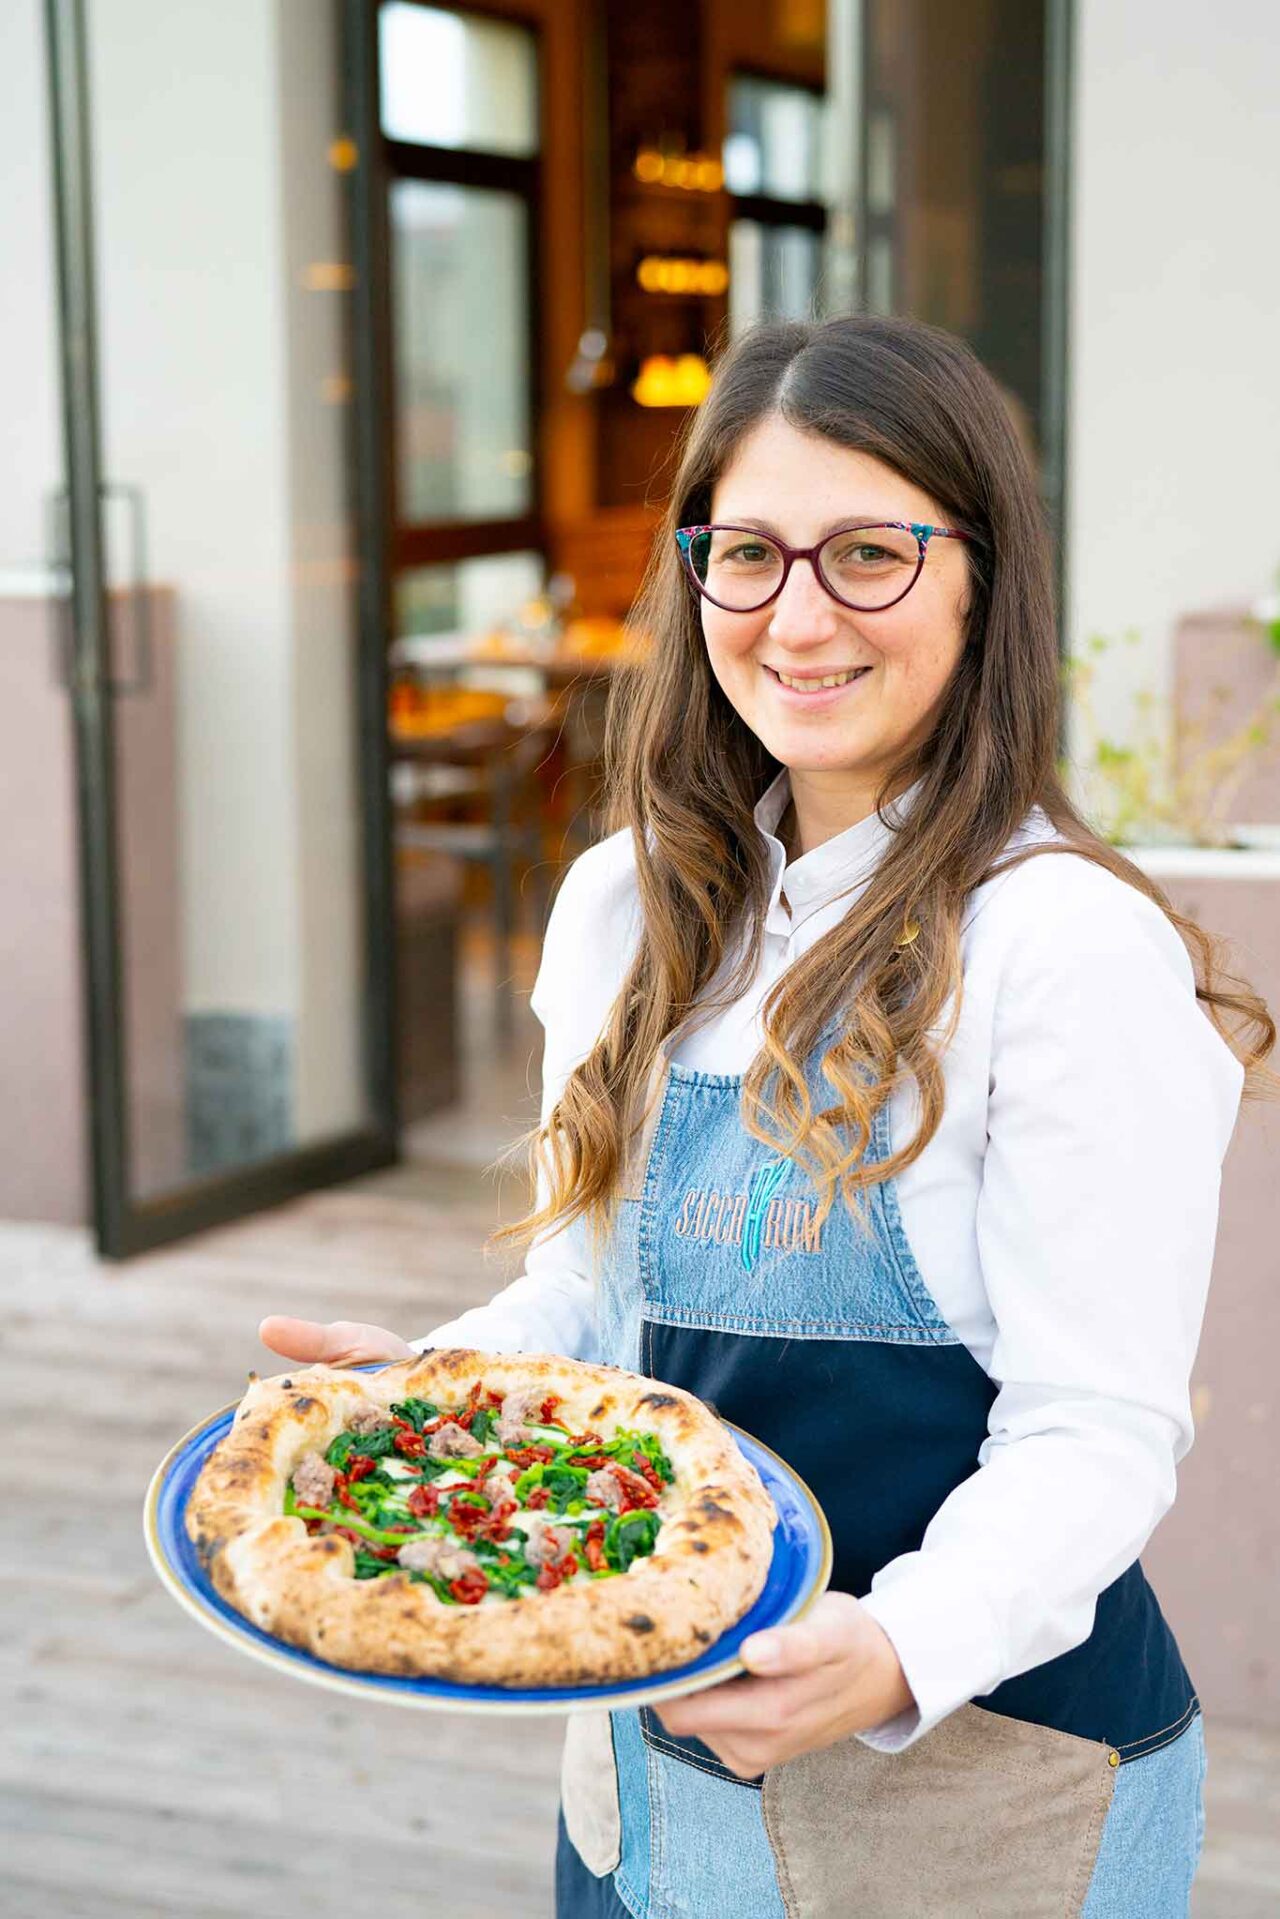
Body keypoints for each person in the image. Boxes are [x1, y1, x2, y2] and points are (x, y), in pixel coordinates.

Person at [262, 314, 1274, 1917]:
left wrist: (891, 1651)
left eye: (869, 551)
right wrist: (440, 1390)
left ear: (981, 576)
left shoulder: (1060, 943)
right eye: (748, 553)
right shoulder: (626, 905)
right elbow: (600, 1299)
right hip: (649, 1741)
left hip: (977, 1781)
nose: (797, 616)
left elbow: (1101, 1429)